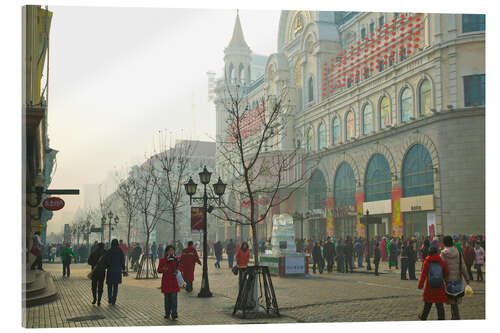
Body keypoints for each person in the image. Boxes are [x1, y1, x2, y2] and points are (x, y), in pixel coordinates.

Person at [440, 235, 470, 320]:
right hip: (458, 279)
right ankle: (455, 316)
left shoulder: (443, 253)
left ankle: (456, 317)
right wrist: (467, 279)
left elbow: (441, 267)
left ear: (444, 243)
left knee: (452, 300)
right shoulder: (458, 252)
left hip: (448, 280)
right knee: (455, 300)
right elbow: (463, 267)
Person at [417, 246, 449, 320]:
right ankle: (441, 319)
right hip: (439, 286)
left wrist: (420, 285)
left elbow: (423, 275)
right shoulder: (441, 262)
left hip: (429, 287)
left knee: (427, 305)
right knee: (440, 306)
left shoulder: (427, 262)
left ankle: (423, 317)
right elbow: (446, 273)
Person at [158, 245, 181, 320]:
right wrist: (164, 268)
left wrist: (177, 270)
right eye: (169, 250)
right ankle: (167, 313)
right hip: (166, 282)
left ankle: (174, 313)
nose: (171, 252)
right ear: (166, 251)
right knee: (167, 299)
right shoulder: (162, 260)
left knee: (174, 299)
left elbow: (180, 267)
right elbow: (159, 270)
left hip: (173, 282)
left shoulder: (176, 260)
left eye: (172, 250)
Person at [103, 239, 127, 305]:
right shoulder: (120, 251)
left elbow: (106, 260)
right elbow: (122, 260)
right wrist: (123, 268)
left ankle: (110, 298)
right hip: (117, 270)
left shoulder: (109, 251)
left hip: (110, 270)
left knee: (109, 286)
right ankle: (114, 299)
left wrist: (106, 266)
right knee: (115, 286)